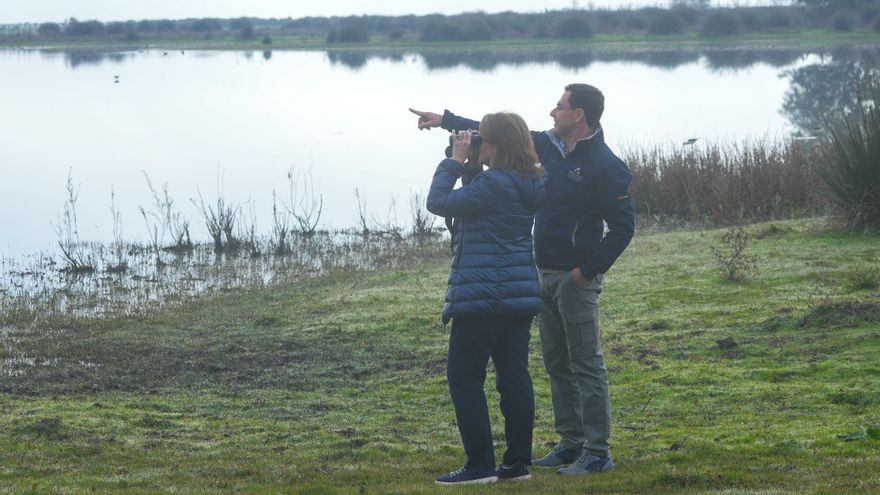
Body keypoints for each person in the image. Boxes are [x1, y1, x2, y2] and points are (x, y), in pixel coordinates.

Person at [411, 83, 635, 476]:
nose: (552, 111)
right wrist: (446, 121)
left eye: (560, 106)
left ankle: (596, 451)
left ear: (578, 114)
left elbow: (622, 227)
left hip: (574, 276)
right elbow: (497, 133)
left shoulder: (605, 164)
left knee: (585, 363)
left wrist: (588, 270)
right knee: (555, 364)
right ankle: (570, 443)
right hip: (536, 274)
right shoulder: (545, 149)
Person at [426, 112, 545, 485]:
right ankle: (516, 464)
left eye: (485, 140)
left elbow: (438, 201)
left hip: (483, 296)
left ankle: (479, 466)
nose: (481, 145)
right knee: (513, 377)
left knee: (464, 378)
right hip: (519, 294)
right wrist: (471, 159)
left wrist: (454, 161)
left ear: (499, 146)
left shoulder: (492, 184)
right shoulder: (529, 179)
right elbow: (480, 196)